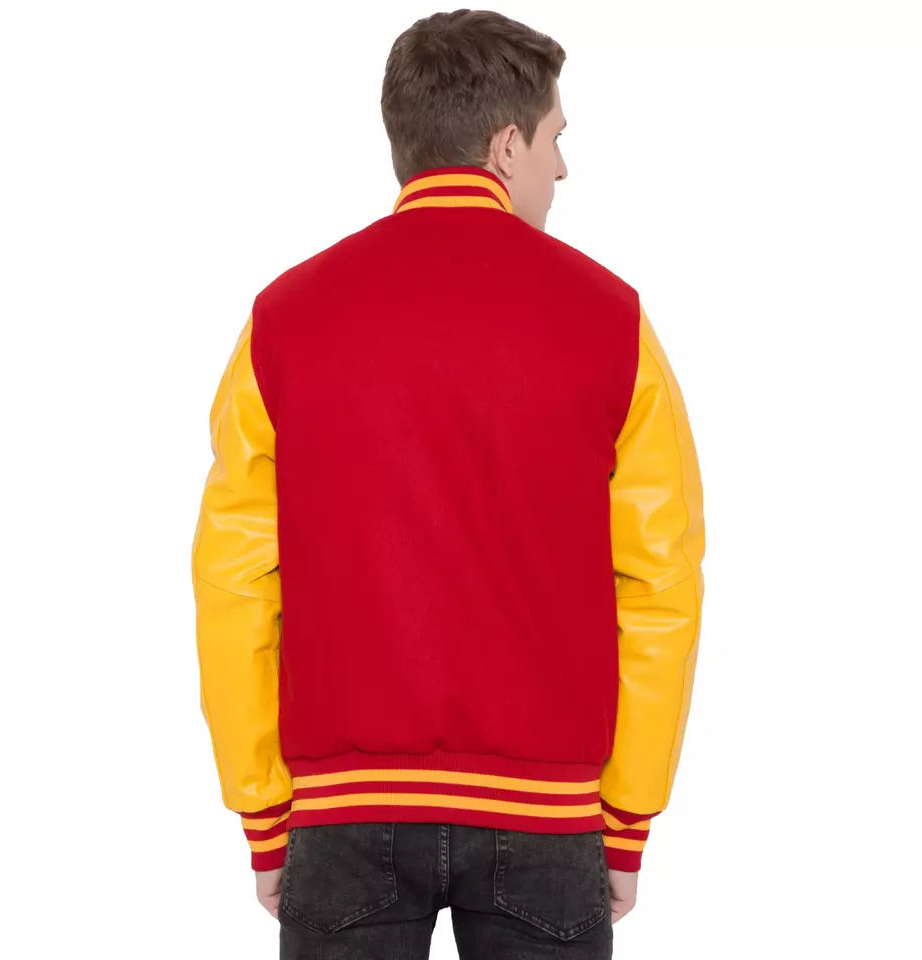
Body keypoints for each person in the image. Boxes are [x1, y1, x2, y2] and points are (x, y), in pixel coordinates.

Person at [191, 9, 705, 958]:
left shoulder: (283, 318)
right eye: (555, 139)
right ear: (506, 145)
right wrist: (627, 812)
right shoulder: (612, 319)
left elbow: (234, 581)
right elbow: (658, 580)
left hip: (342, 813)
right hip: (547, 813)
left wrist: (263, 810)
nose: (562, 168)